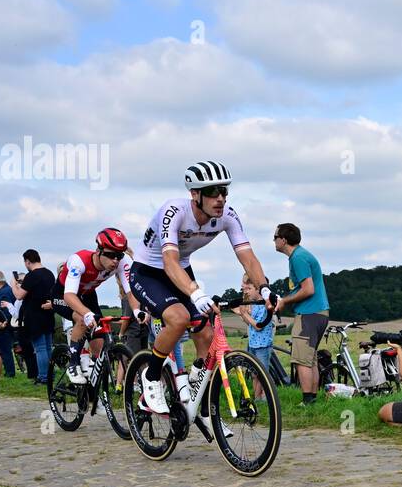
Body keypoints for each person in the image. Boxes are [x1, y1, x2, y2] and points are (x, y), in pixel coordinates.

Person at [128, 161, 275, 414]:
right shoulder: (174, 211)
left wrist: (264, 289)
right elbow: (169, 261)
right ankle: (150, 380)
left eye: (224, 192)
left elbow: (248, 258)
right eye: (212, 192)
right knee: (179, 318)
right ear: (195, 194)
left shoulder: (227, 216)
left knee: (205, 333)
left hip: (181, 270)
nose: (220, 198)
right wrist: (195, 293)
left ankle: (194, 396)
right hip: (149, 271)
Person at [53, 228, 127, 384]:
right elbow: (69, 295)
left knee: (99, 343)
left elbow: (130, 291)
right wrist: (86, 313)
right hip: (63, 294)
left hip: (87, 294)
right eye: (110, 255)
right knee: (81, 318)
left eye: (119, 256)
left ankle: (94, 389)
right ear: (98, 251)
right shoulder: (79, 260)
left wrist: (137, 311)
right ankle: (73, 364)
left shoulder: (119, 263)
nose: (115, 260)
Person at [272, 223, 328, 405]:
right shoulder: (301, 255)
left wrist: (284, 301)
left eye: (275, 237)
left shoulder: (298, 258)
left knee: (302, 360)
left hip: (309, 314)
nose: (273, 241)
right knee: (310, 359)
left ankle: (307, 401)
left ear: (284, 240)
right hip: (319, 313)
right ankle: (312, 399)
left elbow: (308, 289)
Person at [233, 274, 275, 396]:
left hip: (262, 346)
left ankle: (259, 398)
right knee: (253, 373)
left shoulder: (264, 305)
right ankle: (258, 396)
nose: (247, 292)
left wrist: (244, 314)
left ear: (258, 289)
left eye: (249, 289)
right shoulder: (255, 303)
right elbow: (249, 322)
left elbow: (257, 326)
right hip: (253, 344)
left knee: (261, 373)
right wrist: (241, 313)